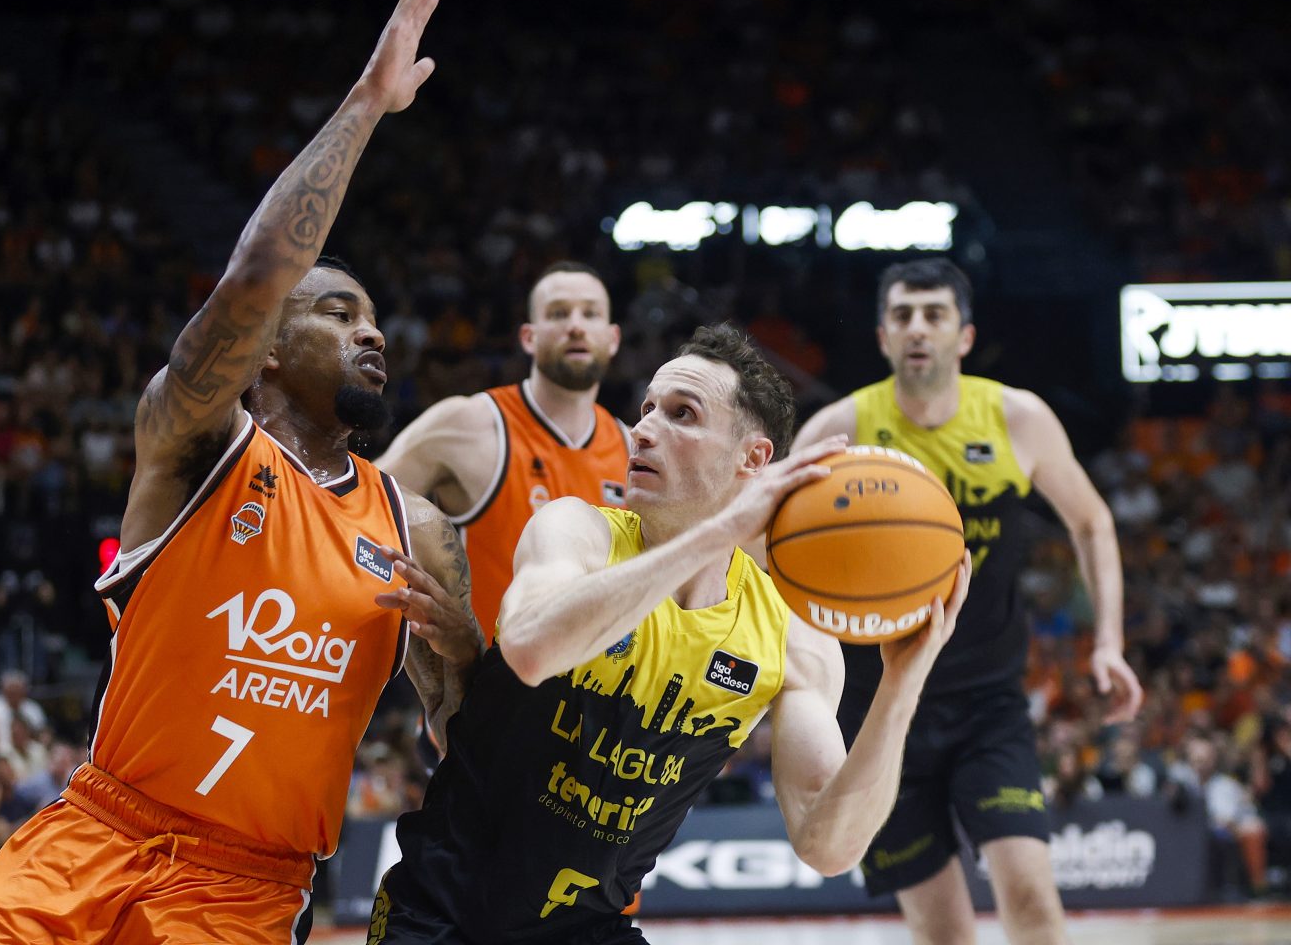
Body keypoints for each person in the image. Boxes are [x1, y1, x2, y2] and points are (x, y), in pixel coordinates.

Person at [0, 0, 481, 945]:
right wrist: (367, 106)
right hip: (88, 842)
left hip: (244, 894)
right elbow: (255, 275)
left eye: (374, 319)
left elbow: (469, 741)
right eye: (338, 313)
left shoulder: (421, 532)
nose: (371, 332)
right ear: (265, 349)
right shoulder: (196, 443)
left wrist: (471, 655)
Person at [368, 325, 972, 944]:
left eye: (682, 414)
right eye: (647, 409)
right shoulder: (578, 532)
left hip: (590, 929)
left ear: (752, 460)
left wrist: (902, 683)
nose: (644, 429)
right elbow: (529, 649)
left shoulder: (791, 633)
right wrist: (720, 531)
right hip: (443, 913)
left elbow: (829, 846)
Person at [790, 257, 1144, 945]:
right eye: (902, 315)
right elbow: (767, 545)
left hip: (988, 700)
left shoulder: (1017, 418)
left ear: (966, 335)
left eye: (935, 314)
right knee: (943, 934)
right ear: (883, 336)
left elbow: (1092, 521)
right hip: (876, 708)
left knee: (1032, 897)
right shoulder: (839, 429)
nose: (918, 328)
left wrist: (1109, 643)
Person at [378, 262, 629, 649]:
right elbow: (355, 510)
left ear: (613, 338)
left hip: (597, 683)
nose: (576, 326)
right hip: (486, 679)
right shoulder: (466, 424)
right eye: (558, 313)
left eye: (590, 313)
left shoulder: (635, 449)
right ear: (528, 337)